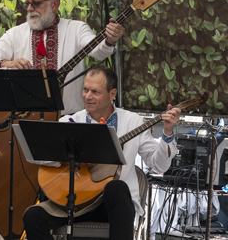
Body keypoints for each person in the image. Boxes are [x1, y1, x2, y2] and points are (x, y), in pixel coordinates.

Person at [23, 65, 181, 240]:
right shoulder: (70, 121)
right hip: (75, 203)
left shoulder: (133, 122)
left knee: (117, 186)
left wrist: (167, 134)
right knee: (32, 215)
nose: (88, 96)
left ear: (112, 94)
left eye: (95, 92)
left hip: (111, 205)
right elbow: (41, 156)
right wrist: (70, 157)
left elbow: (159, 164)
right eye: (85, 90)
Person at [0, 0, 124, 115]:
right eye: (27, 4)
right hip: (25, 122)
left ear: (55, 4)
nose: (30, 9)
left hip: (69, 120)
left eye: (36, 3)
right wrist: (7, 63)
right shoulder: (15, 34)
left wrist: (109, 40)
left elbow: (98, 51)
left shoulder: (77, 29)